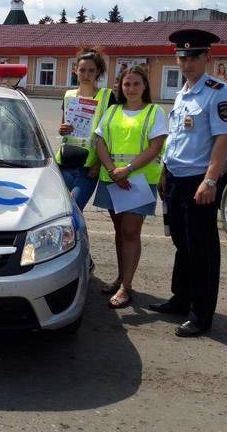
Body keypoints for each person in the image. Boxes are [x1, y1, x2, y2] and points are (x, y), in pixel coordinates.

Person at [149, 29, 227, 337]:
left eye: (193, 57)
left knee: (202, 249)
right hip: (175, 177)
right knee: (180, 243)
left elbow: (222, 140)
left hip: (198, 182)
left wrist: (211, 180)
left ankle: (201, 314)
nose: (186, 63)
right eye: (182, 57)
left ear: (206, 57)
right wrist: (163, 172)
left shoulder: (218, 91)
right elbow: (175, 139)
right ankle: (181, 298)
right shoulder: (183, 91)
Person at [93, 65, 167, 308]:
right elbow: (100, 140)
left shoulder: (155, 111)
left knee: (130, 231)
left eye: (136, 84)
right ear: (120, 88)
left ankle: (126, 286)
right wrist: (113, 170)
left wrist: (128, 169)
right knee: (119, 230)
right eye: (127, 84)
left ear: (145, 86)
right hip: (113, 178)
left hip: (138, 181)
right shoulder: (112, 111)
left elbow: (155, 146)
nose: (131, 88)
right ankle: (121, 277)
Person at [56, 48, 114, 211]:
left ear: (98, 72)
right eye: (82, 70)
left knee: (73, 208)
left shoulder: (107, 96)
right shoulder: (68, 95)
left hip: (89, 166)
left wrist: (99, 164)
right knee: (60, 209)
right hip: (65, 162)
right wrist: (62, 129)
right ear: (75, 70)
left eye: (91, 70)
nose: (86, 74)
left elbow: (111, 135)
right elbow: (62, 129)